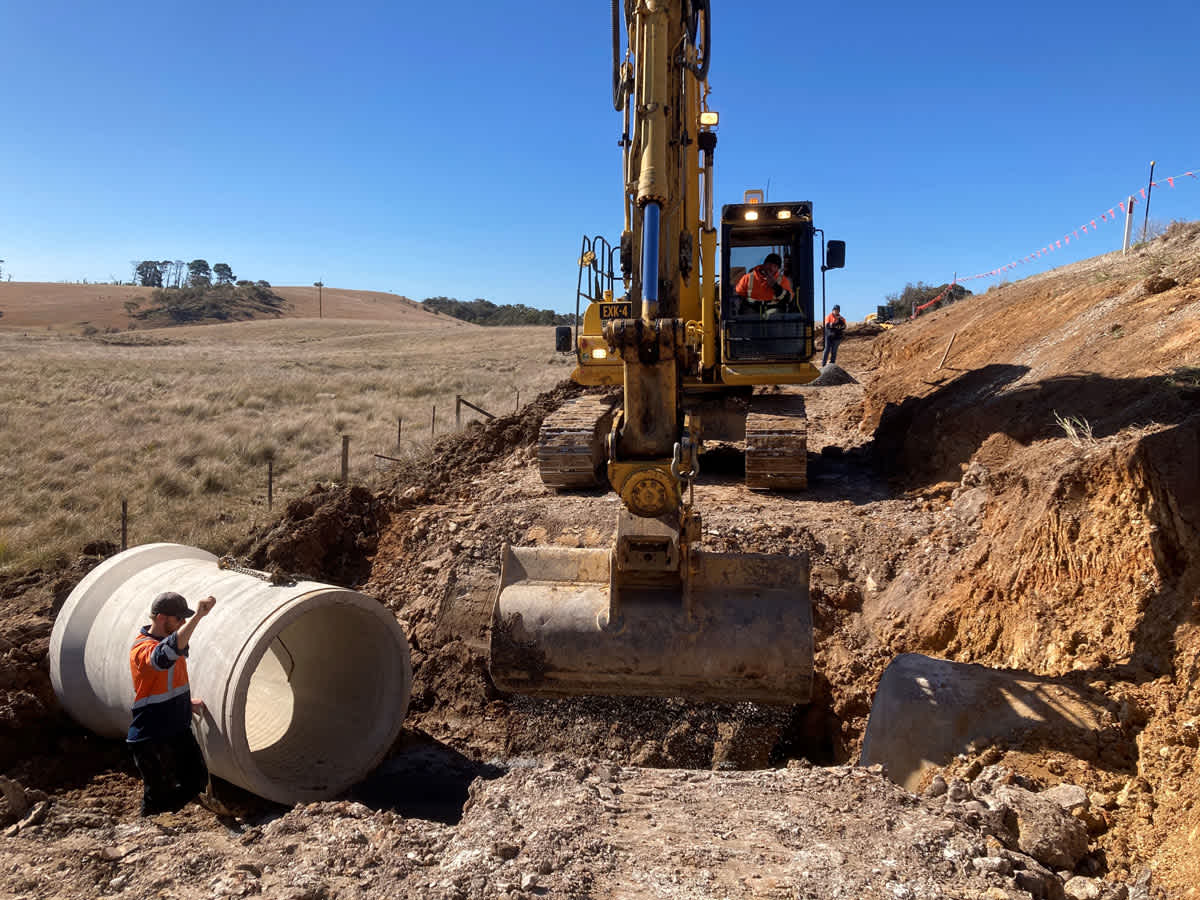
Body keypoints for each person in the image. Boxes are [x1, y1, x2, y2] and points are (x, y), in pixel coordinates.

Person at [127, 590, 216, 816]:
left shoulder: (168, 640)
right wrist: (198, 617)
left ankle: (162, 820)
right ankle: (150, 828)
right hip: (151, 736)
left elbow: (169, 680)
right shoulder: (142, 649)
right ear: (161, 618)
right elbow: (163, 657)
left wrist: (187, 703)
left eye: (185, 618)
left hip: (176, 728)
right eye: (179, 618)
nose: (183, 622)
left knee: (196, 780)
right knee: (158, 795)